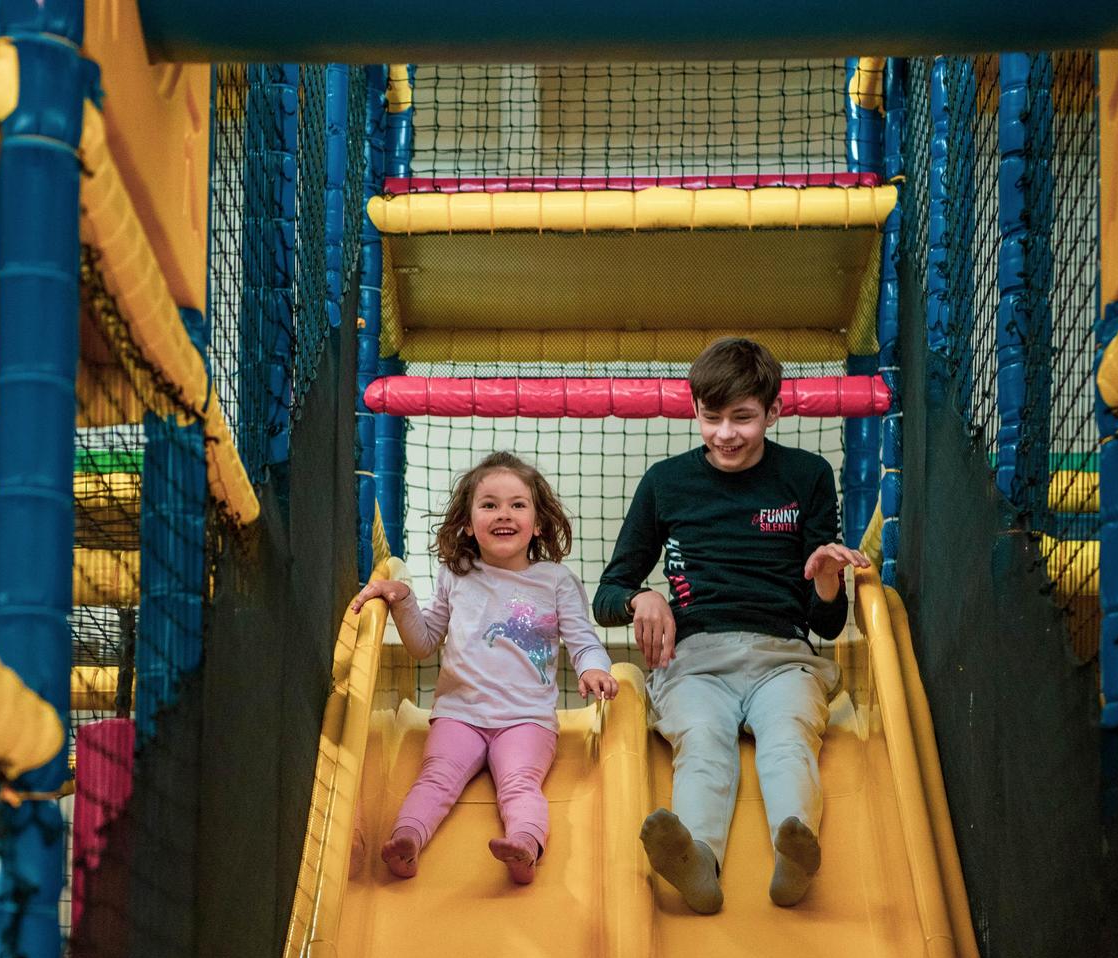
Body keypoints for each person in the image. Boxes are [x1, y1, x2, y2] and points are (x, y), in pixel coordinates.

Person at [594, 337, 870, 914]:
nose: (725, 434)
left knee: (790, 732)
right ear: (694, 410)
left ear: (773, 411)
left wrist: (824, 580)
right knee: (701, 742)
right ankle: (697, 861)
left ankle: (793, 849)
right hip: (696, 659)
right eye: (710, 416)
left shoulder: (808, 476)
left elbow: (828, 618)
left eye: (742, 418)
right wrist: (641, 597)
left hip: (783, 657)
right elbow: (606, 595)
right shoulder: (666, 483)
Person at [352, 452, 618, 885]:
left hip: (525, 720)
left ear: (539, 521)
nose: (503, 514)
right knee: (435, 778)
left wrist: (594, 669)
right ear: (466, 522)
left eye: (517, 504)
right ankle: (407, 841)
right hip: (460, 714)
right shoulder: (456, 576)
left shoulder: (555, 581)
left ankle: (525, 848)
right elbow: (423, 643)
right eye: (489, 504)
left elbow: (583, 640)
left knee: (518, 785)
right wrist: (400, 598)